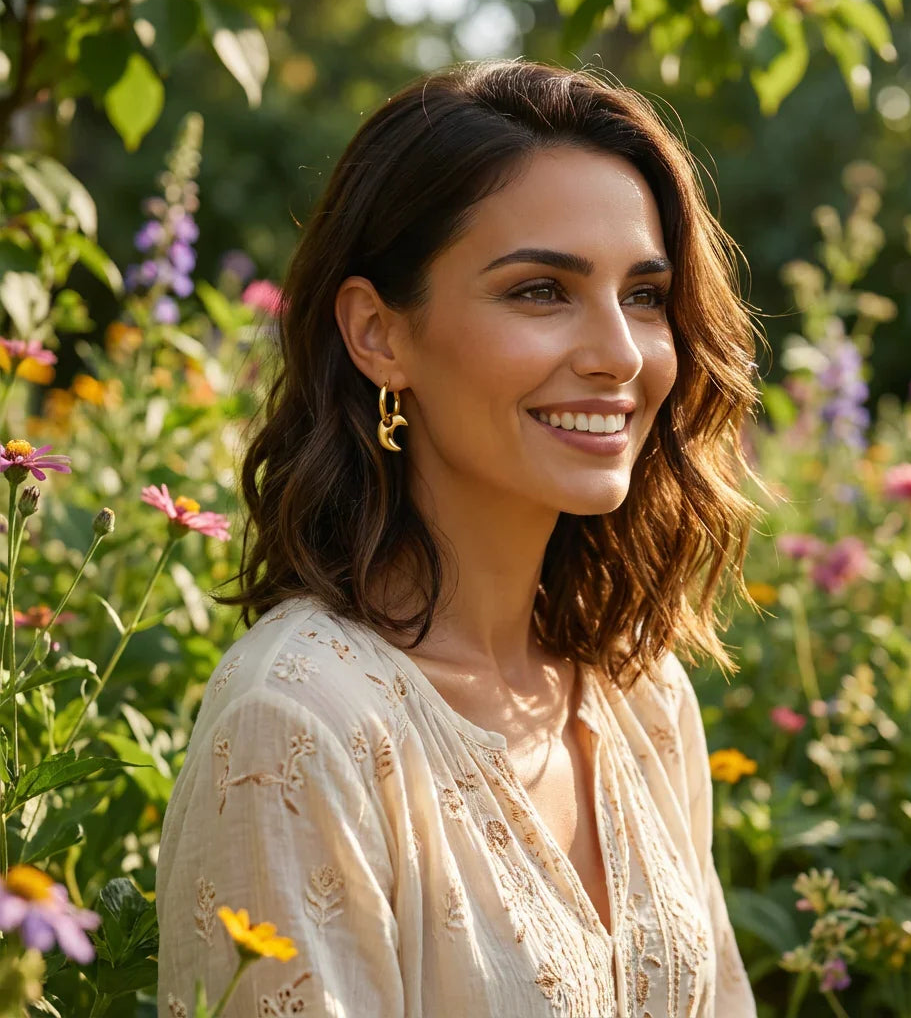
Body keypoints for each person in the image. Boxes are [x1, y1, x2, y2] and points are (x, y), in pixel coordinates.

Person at [155, 58, 764, 1017]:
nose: (619, 354)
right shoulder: (302, 724)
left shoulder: (641, 695)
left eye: (645, 296)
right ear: (378, 334)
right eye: (541, 291)